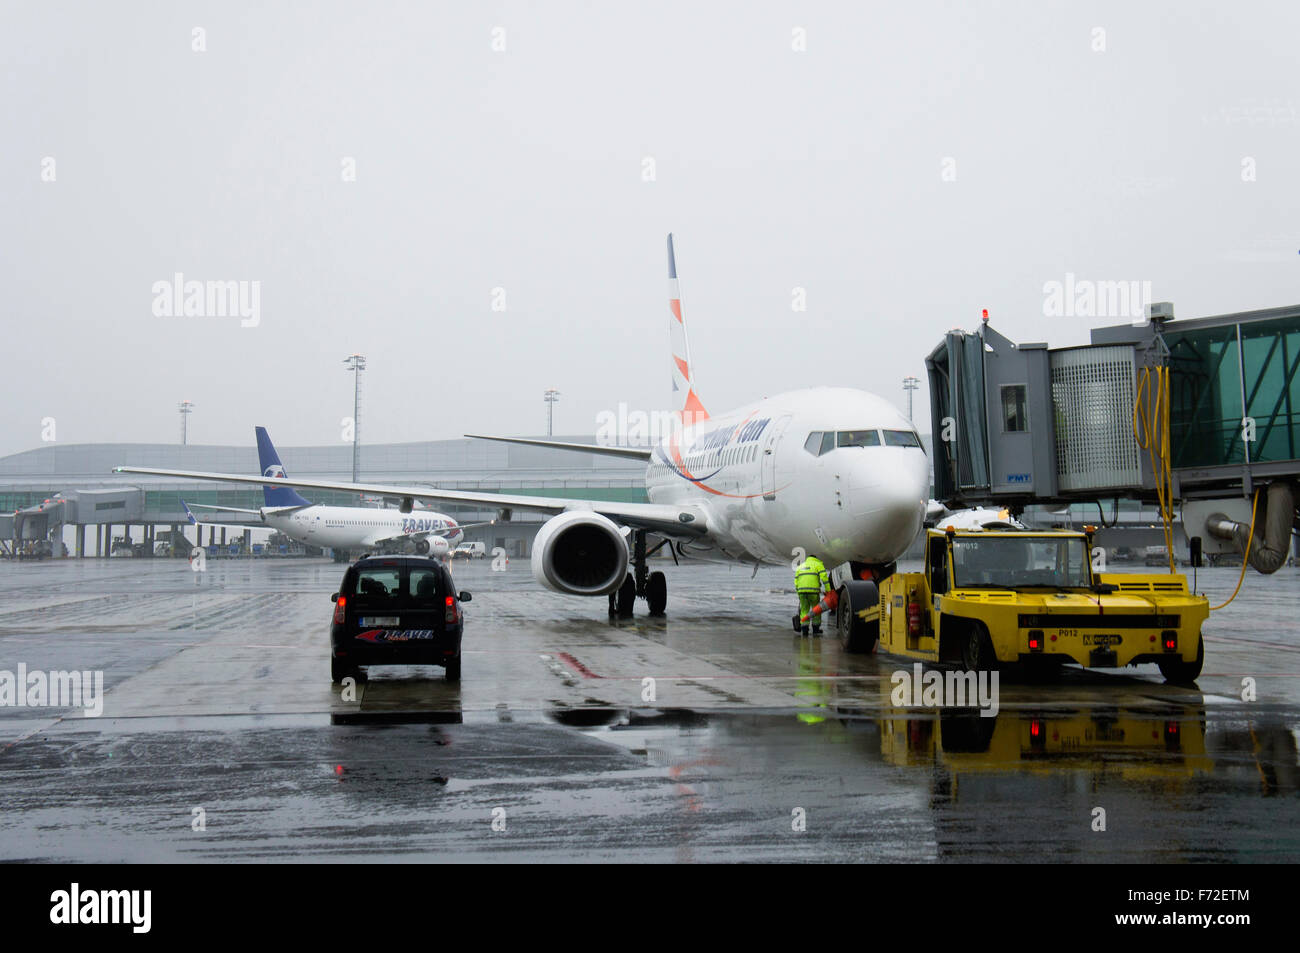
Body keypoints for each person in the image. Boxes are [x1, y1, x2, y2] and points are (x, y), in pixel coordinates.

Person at [794, 553, 828, 637]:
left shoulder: (800, 566)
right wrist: (828, 591)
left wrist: (798, 592)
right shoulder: (818, 564)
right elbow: (824, 578)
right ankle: (815, 630)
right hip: (813, 592)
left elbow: (796, 582)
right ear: (815, 558)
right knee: (816, 610)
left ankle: (805, 630)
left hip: (802, 592)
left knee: (804, 610)